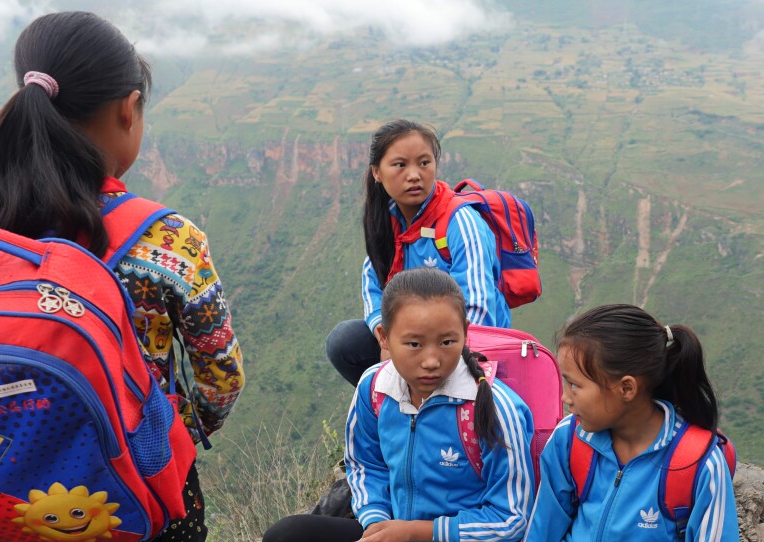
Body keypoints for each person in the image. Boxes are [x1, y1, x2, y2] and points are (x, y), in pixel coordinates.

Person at [0, 11, 244, 541]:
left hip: (10, 496)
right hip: (139, 491)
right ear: (129, 110)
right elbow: (221, 379)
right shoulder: (168, 241)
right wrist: (176, 432)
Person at [264, 267, 534, 542]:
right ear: (383, 336)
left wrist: (415, 533)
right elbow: (366, 465)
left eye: (447, 342)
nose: (431, 360)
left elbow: (511, 520)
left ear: (465, 332)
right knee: (287, 535)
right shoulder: (376, 388)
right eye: (414, 344)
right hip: (393, 530)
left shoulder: (494, 408)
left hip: (456, 536)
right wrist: (375, 522)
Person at [525, 304, 738, 542]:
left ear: (627, 388)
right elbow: (543, 530)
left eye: (574, 385)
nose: (565, 398)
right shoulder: (568, 439)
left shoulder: (699, 464)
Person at [326, 119, 511, 387]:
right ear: (377, 172)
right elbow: (373, 287)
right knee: (345, 341)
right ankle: (394, 413)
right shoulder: (387, 224)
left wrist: (435, 354)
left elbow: (478, 311)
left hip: (468, 347)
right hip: (409, 342)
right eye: (400, 165)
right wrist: (385, 336)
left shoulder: (460, 223)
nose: (414, 174)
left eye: (424, 163)